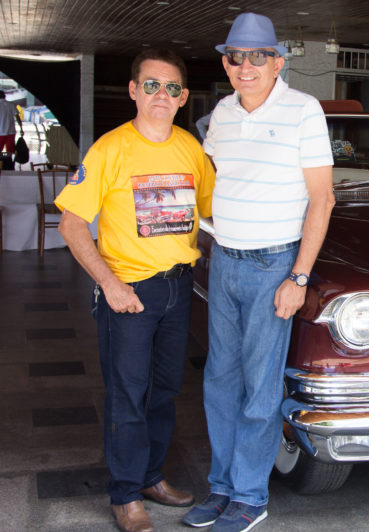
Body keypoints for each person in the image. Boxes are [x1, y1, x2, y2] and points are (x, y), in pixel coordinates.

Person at [182, 12, 334, 532]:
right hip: (224, 258)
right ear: (226, 64)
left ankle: (250, 496)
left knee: (260, 388)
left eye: (257, 57)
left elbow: (322, 199)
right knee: (219, 381)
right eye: (235, 57)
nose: (245, 66)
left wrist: (299, 277)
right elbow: (212, 182)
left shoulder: (304, 110)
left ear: (277, 62)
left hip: (274, 265)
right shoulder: (222, 114)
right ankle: (222, 488)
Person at [55, 48, 215, 532]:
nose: (161, 94)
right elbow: (71, 224)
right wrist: (110, 284)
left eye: (171, 87)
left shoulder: (190, 148)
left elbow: (214, 209)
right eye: (151, 85)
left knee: (164, 391)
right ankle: (125, 495)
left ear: (183, 97)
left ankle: (150, 477)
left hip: (178, 288)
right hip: (128, 293)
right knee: (128, 395)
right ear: (133, 90)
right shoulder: (109, 149)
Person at [0, 90, 22, 154]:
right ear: (4, 96)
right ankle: (9, 160)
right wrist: (21, 128)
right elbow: (18, 118)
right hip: (11, 132)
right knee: (10, 152)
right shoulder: (12, 105)